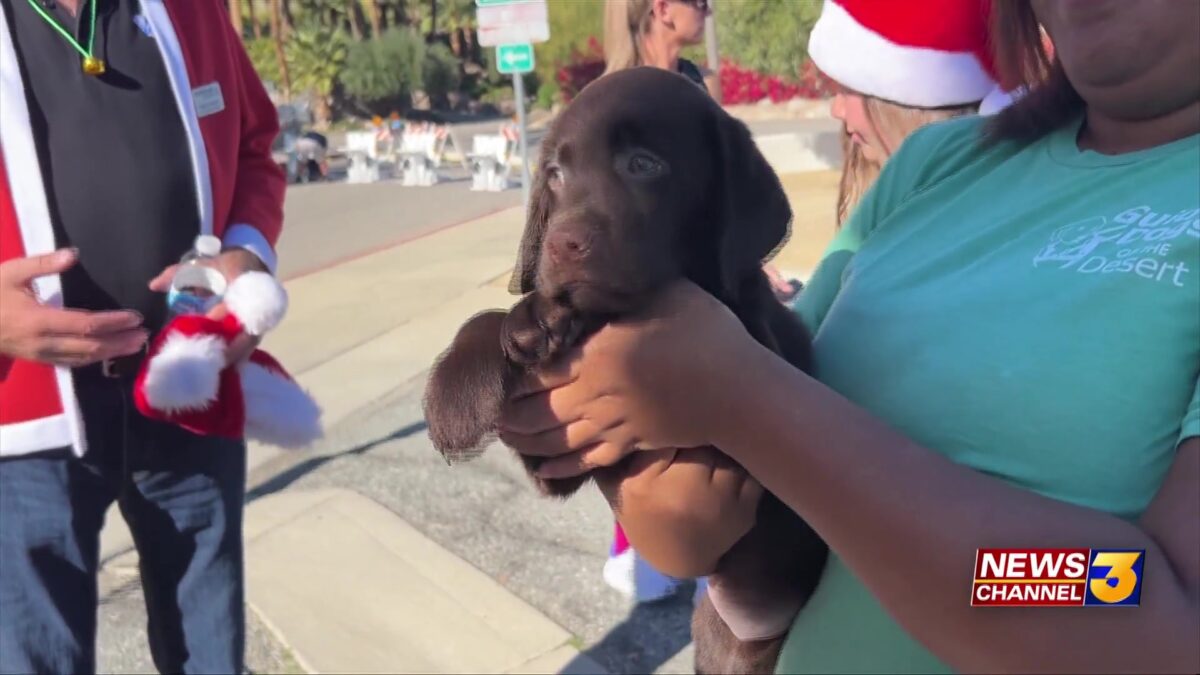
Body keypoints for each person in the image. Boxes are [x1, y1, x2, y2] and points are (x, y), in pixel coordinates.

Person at [498, 0, 1200, 671]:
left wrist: (746, 404)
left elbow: (1146, 604)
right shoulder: (939, 164)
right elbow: (746, 472)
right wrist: (664, 488)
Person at [0, 1, 285, 673]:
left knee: (209, 653)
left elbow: (254, 149)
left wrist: (246, 256)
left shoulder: (193, 9)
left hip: (186, 385)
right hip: (26, 418)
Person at [598, 0, 716, 604]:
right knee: (646, 425)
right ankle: (635, 550)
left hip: (701, 277)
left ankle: (692, 550)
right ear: (664, 10)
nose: (709, 9)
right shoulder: (617, 98)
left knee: (700, 423)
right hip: (645, 284)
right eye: (700, 2)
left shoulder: (691, 84)